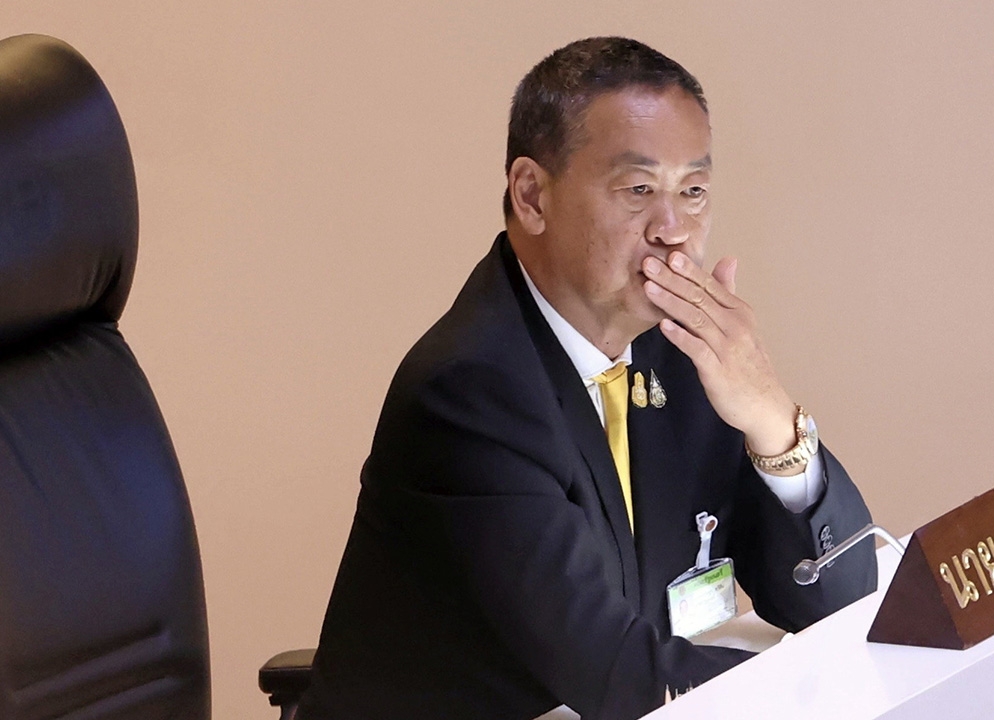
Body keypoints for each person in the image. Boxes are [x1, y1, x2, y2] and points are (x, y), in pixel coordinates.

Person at [299, 36, 877, 720]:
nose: (674, 231)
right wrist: (832, 687)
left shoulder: (679, 353)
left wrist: (772, 420)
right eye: (638, 190)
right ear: (532, 196)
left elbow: (840, 599)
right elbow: (620, 676)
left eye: (693, 191)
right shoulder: (468, 393)